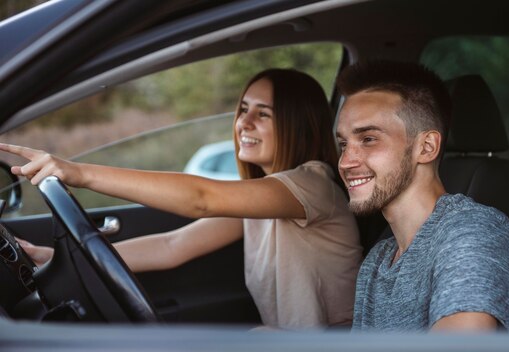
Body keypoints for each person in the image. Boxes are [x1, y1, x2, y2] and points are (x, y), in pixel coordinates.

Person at [0, 68, 363, 330]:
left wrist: (77, 173)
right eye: (243, 109)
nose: (244, 123)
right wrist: (60, 258)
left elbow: (201, 198)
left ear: (297, 123)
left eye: (263, 114)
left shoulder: (313, 186)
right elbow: (172, 245)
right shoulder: (263, 201)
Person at [334, 61, 509, 332]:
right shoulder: (379, 259)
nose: (345, 162)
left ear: (426, 147)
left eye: (368, 139)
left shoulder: (472, 234)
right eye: (343, 144)